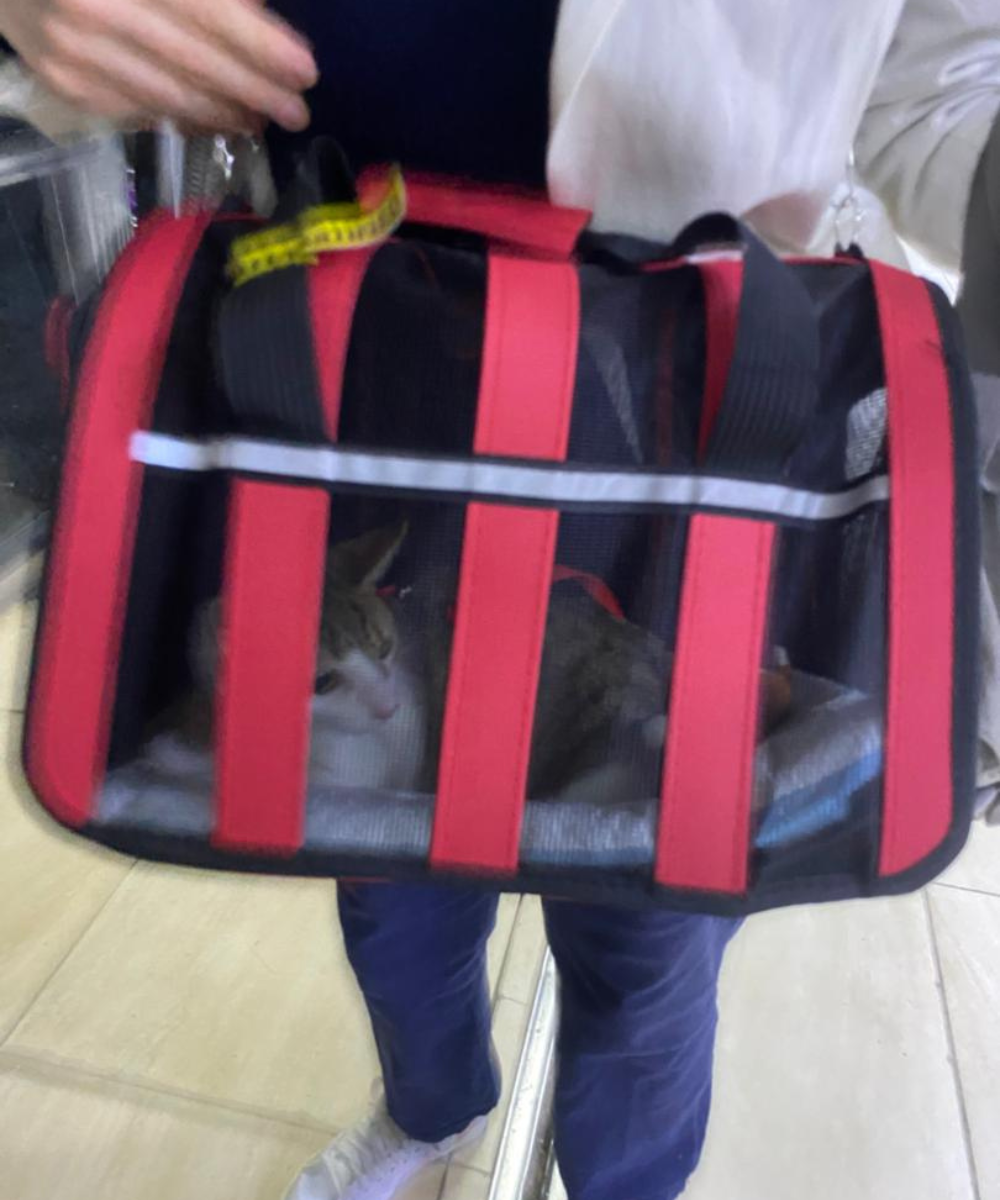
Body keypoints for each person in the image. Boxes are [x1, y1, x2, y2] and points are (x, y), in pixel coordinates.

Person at [1, 3, 998, 1199]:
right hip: (354, 371)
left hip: (693, 410)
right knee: (386, 882)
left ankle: (624, 1185)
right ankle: (432, 1107)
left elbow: (941, 97)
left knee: (652, 919)